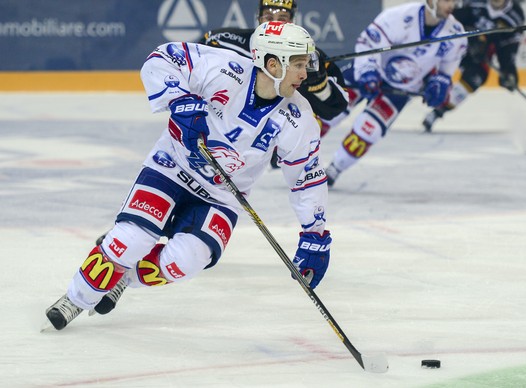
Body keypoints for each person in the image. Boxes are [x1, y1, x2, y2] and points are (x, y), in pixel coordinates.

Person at [45, 21, 332, 331]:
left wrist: (314, 235)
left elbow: (307, 178)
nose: (305, 74)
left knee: (186, 261)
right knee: (131, 239)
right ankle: (76, 298)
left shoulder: (299, 118)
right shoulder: (224, 69)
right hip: (171, 166)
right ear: (272, 64)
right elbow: (160, 59)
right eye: (299, 64)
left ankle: (123, 276)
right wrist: (179, 100)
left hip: (223, 195)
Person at [324, 0, 467, 187]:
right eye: (447, 0)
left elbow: (445, 73)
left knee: (369, 130)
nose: (452, 5)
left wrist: (437, 87)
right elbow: (368, 43)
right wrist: (367, 72)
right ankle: (297, 153)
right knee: (330, 110)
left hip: (402, 88)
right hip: (369, 72)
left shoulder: (456, 34)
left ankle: (335, 168)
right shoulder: (398, 17)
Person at [201, 0, 348, 142]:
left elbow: (334, 110)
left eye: (282, 19)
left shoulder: (309, 57)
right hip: (216, 131)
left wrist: (319, 85)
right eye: (268, 17)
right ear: (258, 17)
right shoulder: (218, 42)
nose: (274, 24)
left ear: (292, 20)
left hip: (274, 144)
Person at [422, 0, 525, 133]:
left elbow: (507, 47)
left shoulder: (515, 16)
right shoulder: (474, 2)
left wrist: (508, 70)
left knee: (476, 79)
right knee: (429, 64)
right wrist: (471, 37)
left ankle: (437, 112)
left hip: (478, 58)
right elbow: (451, 19)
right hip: (453, 45)